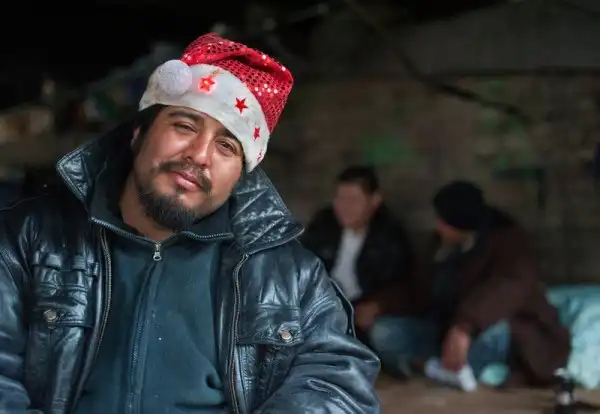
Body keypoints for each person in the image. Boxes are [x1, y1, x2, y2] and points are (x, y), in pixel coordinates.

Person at [0, 34, 379, 413]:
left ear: (240, 176)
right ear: (138, 134)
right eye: (184, 125)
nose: (199, 155)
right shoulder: (31, 237)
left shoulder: (287, 274)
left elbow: (338, 381)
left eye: (226, 146)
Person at [363, 181, 570, 388]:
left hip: (492, 330)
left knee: (493, 333)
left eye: (443, 222)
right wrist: (381, 305)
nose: (438, 226)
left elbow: (504, 290)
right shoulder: (440, 245)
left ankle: (440, 369)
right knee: (385, 332)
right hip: (444, 331)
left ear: (460, 225)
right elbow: (419, 289)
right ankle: (433, 369)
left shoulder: (508, 243)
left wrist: (464, 326)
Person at [302, 165, 414, 343]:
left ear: (374, 201)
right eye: (340, 198)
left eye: (354, 200)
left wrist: (377, 306)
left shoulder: (389, 236)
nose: (345, 207)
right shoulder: (323, 224)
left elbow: (402, 285)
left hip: (359, 312)